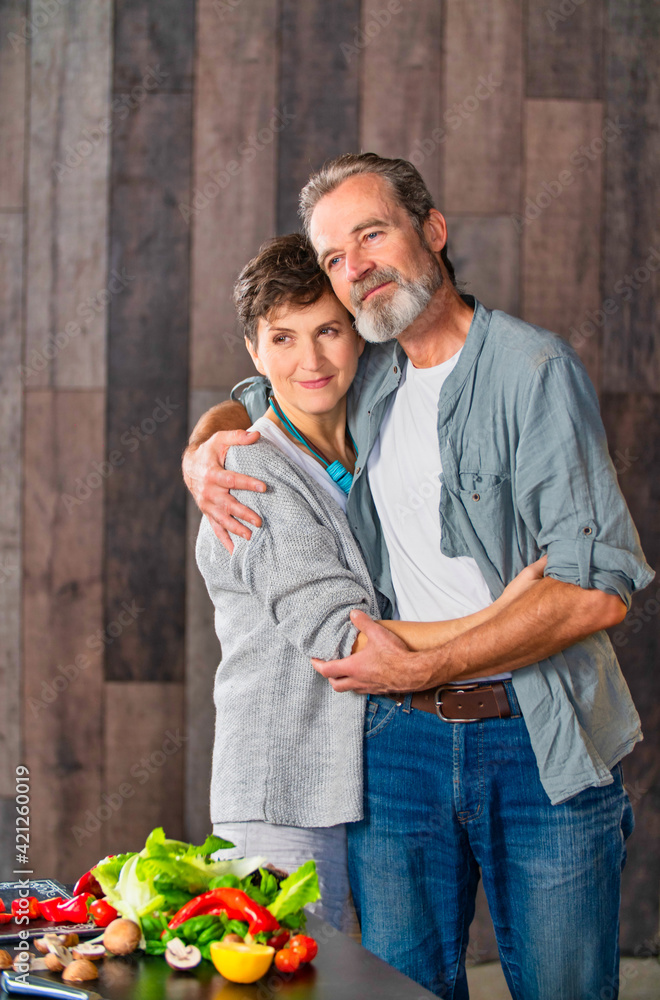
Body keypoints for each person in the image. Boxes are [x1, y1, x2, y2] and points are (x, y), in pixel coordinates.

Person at [183, 154, 654, 998]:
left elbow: (598, 587)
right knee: (401, 989)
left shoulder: (530, 372)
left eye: (372, 234)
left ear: (432, 231)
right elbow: (270, 390)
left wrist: (428, 661)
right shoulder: (371, 375)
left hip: (534, 734)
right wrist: (203, 445)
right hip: (396, 749)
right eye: (335, 256)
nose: (355, 267)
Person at [194, 232, 545, 936]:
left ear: (359, 335)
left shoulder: (377, 440)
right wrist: (513, 618)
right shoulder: (250, 477)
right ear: (255, 354)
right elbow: (342, 639)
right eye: (283, 340)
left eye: (327, 330)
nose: (311, 361)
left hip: (369, 779)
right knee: (278, 978)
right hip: (284, 790)